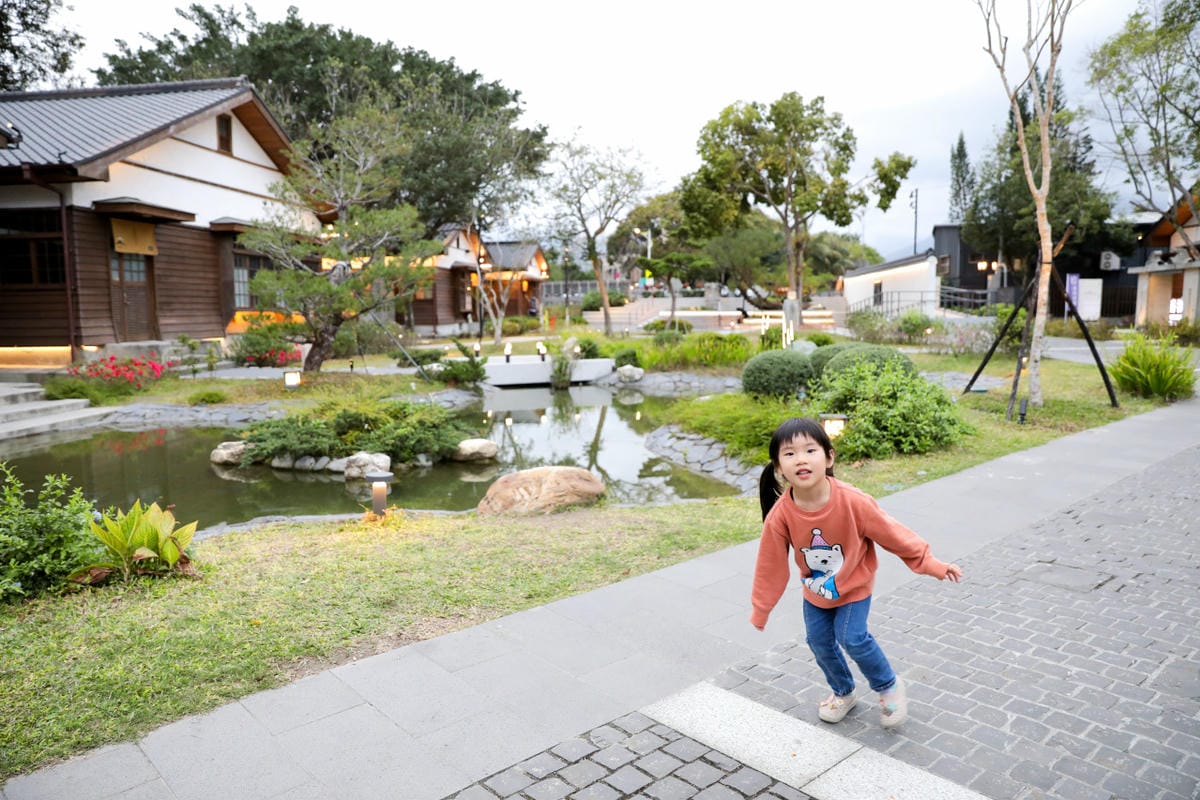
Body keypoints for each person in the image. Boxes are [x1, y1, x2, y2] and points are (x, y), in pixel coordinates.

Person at [749, 417, 963, 728]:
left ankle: (888, 686)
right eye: (790, 453)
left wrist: (931, 564)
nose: (801, 459)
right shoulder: (781, 515)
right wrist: (761, 608)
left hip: (854, 587)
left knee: (852, 637)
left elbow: (893, 534)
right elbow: (769, 564)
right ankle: (843, 692)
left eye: (810, 450)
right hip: (817, 592)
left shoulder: (853, 502)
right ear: (779, 467)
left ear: (829, 457)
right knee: (819, 642)